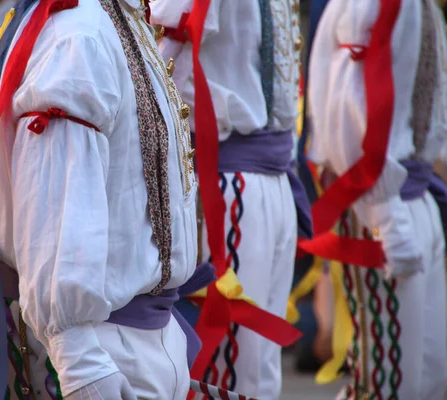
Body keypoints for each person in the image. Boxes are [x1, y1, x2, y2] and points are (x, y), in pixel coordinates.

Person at [0, 0, 212, 399]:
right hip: (102, 346)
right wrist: (81, 361)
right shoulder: (78, 36)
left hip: (135, 340)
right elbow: (58, 209)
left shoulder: (108, 21)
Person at [150, 1, 305, 399]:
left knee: (263, 367)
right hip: (228, 176)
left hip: (274, 172)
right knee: (238, 369)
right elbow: (164, 62)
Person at [308, 0, 447, 398]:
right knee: (386, 381)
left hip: (414, 194)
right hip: (380, 200)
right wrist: (385, 214)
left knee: (429, 375)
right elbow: (348, 108)